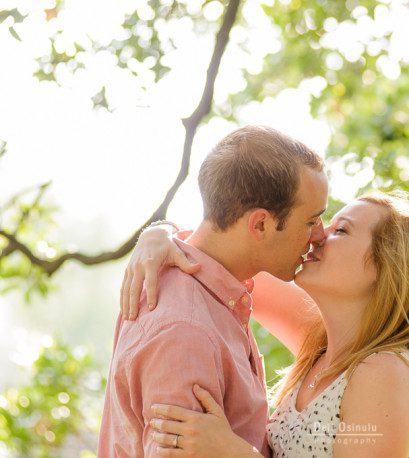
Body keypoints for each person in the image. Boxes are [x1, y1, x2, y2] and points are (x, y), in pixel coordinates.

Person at [121, 192, 409, 457]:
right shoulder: (322, 344)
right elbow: (217, 252)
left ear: (388, 268)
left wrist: (234, 452)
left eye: (341, 230)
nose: (318, 235)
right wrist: (159, 234)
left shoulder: (385, 373)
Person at [98, 125, 329, 457]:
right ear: (260, 224)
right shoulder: (186, 331)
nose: (319, 235)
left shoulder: (219, 291)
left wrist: (161, 231)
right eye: (310, 221)